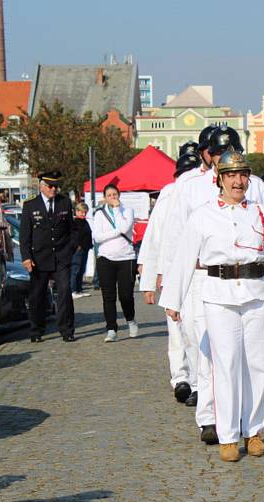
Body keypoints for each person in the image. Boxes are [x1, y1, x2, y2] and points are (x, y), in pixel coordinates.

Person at [159, 149, 264, 463]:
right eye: (231, 176)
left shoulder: (260, 211)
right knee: (225, 365)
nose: (238, 181)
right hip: (219, 295)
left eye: (243, 175)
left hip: (256, 294)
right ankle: (228, 435)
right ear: (220, 179)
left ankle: (253, 431)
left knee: (257, 364)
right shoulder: (203, 214)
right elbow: (185, 255)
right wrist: (173, 299)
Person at [157, 126, 264, 446]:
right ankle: (210, 418)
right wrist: (170, 288)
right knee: (208, 353)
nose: (235, 175)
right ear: (208, 155)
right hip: (203, 278)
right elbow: (175, 240)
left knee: (248, 359)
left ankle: (246, 426)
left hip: (251, 282)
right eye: (219, 152)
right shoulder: (189, 188)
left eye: (231, 152)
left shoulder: (256, 189)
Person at [139, 151, 202, 404]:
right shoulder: (167, 197)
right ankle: (181, 378)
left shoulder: (200, 195)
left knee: (195, 329)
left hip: (197, 272)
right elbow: (154, 240)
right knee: (177, 329)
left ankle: (199, 380)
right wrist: (149, 280)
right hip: (172, 271)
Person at [20, 171, 76, 342]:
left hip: (61, 256)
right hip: (39, 258)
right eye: (51, 186)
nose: (54, 189)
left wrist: (70, 249)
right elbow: (25, 235)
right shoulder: (30, 206)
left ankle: (66, 330)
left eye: (56, 186)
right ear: (42, 186)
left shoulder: (64, 202)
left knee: (65, 292)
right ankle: (36, 330)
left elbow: (71, 229)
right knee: (37, 296)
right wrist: (26, 257)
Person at [93, 183, 138, 343]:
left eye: (115, 194)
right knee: (108, 296)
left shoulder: (127, 211)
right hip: (106, 258)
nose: (112, 197)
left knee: (126, 295)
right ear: (104, 198)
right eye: (109, 195)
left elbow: (125, 226)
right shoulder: (99, 214)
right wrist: (116, 231)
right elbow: (97, 237)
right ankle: (111, 328)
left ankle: (131, 320)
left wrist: (117, 210)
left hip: (126, 258)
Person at [71, 202, 93, 299]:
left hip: (85, 248)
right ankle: (73, 290)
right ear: (77, 211)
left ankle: (79, 290)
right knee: (75, 269)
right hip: (78, 249)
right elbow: (73, 236)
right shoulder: (74, 222)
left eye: (85, 212)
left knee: (81, 270)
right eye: (82, 212)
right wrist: (77, 246)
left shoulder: (84, 221)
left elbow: (88, 234)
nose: (83, 214)